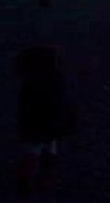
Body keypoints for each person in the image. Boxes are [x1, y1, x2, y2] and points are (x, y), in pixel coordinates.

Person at [14, 44, 75, 193]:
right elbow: (61, 99)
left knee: (34, 151)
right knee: (48, 149)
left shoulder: (30, 80)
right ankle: (43, 180)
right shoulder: (57, 78)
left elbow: (25, 102)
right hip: (50, 121)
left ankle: (28, 182)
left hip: (35, 122)